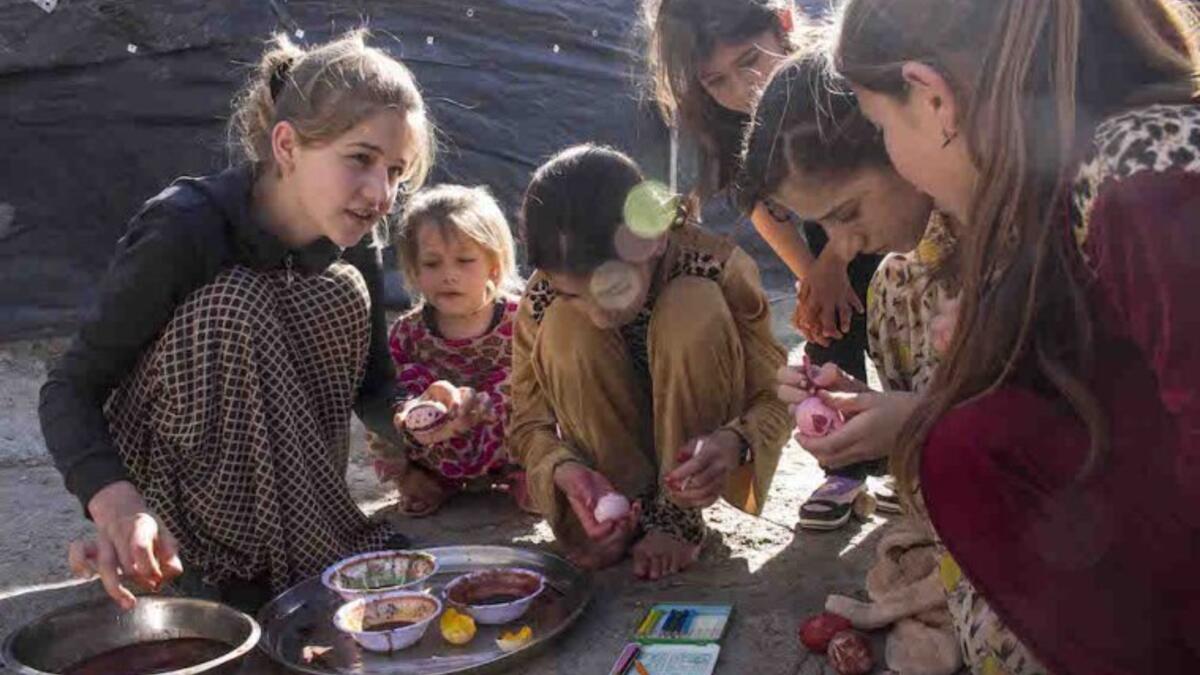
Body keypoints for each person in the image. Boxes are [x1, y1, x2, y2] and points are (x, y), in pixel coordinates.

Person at [830, 0, 1200, 672]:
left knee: (967, 448)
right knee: (971, 442)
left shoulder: (1146, 184)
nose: (889, 152)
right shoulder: (1077, 177)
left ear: (934, 98)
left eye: (880, 124)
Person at [41, 29, 435, 611]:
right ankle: (209, 562)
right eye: (360, 159)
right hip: (172, 501)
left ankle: (289, 545)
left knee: (338, 292)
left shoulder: (353, 235)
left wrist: (416, 416)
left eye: (397, 173)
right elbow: (69, 388)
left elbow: (374, 385)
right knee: (236, 301)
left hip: (295, 503)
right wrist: (118, 504)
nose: (381, 193)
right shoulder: (184, 227)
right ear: (287, 145)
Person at [641, 0, 888, 528]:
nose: (743, 89)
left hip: (891, 219)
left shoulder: (840, 82)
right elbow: (759, 204)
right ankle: (848, 465)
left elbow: (884, 188)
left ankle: (914, 446)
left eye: (751, 62)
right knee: (825, 318)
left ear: (785, 25)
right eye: (717, 82)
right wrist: (811, 274)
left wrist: (835, 261)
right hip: (827, 235)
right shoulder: (728, 123)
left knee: (898, 318)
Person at [510, 144, 790, 579]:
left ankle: (676, 516)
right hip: (608, 454)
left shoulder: (715, 264)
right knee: (564, 327)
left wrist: (736, 442)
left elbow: (777, 394)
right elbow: (527, 425)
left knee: (691, 306)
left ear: (654, 240)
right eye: (573, 293)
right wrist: (564, 470)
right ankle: (619, 514)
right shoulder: (544, 295)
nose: (598, 315)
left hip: (693, 437)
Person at [737, 49, 956, 531]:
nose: (845, 244)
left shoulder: (1026, 230)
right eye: (825, 224)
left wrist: (919, 425)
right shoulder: (909, 273)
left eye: (847, 212)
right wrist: (869, 408)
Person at [371, 184, 527, 517]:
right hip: (437, 452)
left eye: (465, 260)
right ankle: (426, 481)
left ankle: (525, 475)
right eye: (432, 264)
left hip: (511, 448)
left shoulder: (522, 321)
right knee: (389, 393)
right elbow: (387, 404)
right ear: (413, 271)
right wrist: (417, 413)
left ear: (495, 266)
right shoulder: (407, 333)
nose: (449, 276)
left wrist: (478, 404)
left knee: (526, 380)